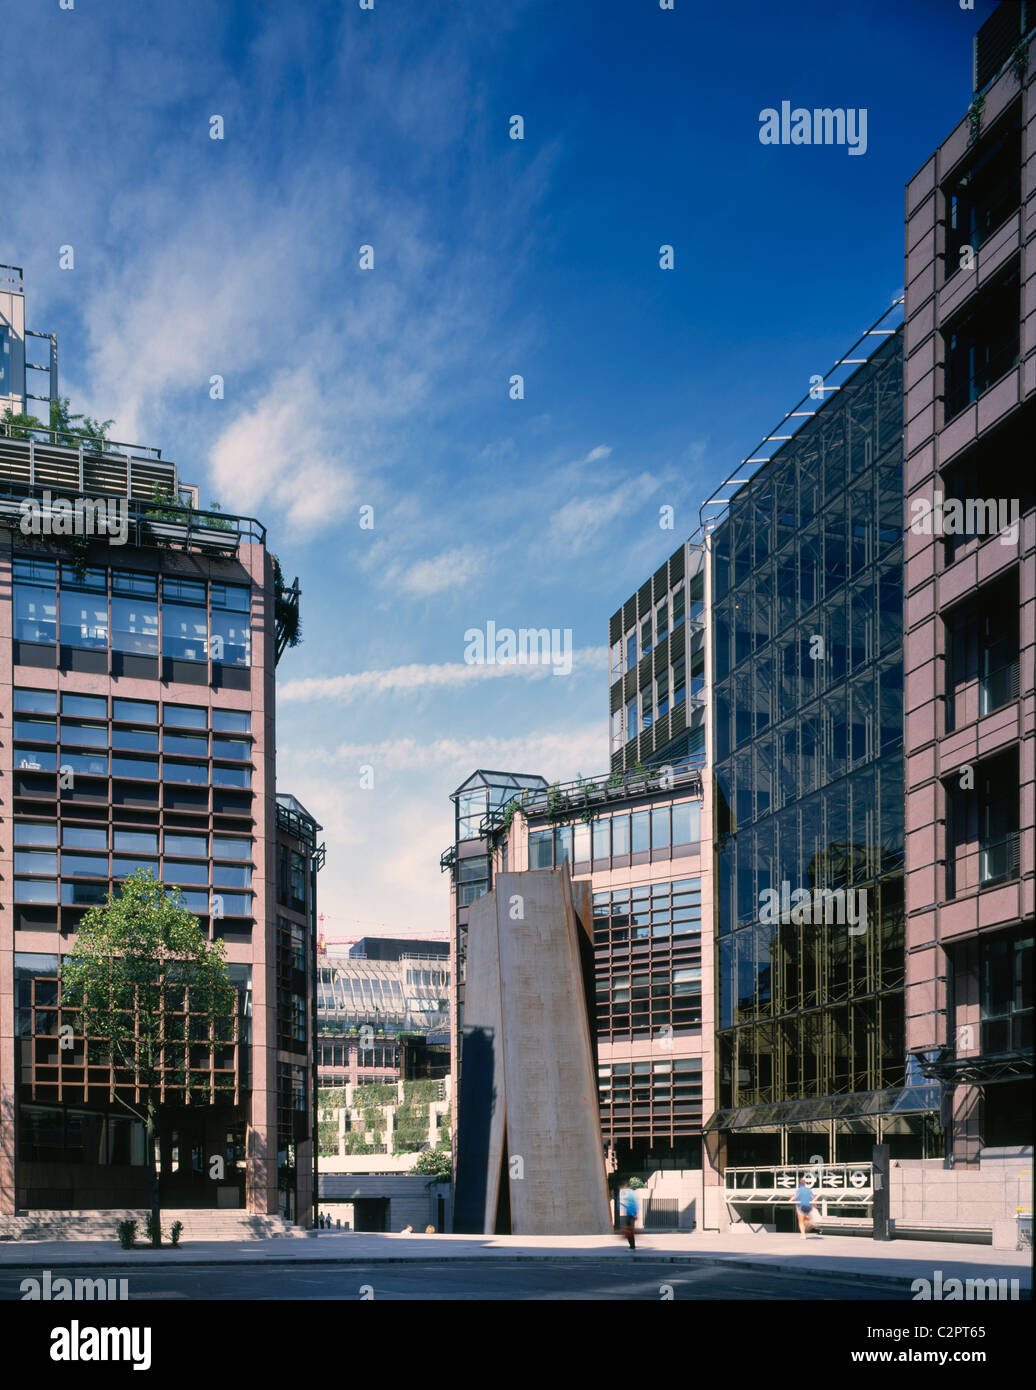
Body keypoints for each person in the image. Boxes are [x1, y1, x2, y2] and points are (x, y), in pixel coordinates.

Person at [617, 1182, 638, 1250]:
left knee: (629, 1231)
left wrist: (620, 1205)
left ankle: (632, 1246)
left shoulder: (625, 1193)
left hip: (629, 1215)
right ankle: (632, 1246)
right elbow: (635, 1204)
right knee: (629, 1231)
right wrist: (635, 1214)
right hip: (631, 1214)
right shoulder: (632, 1192)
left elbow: (624, 1203)